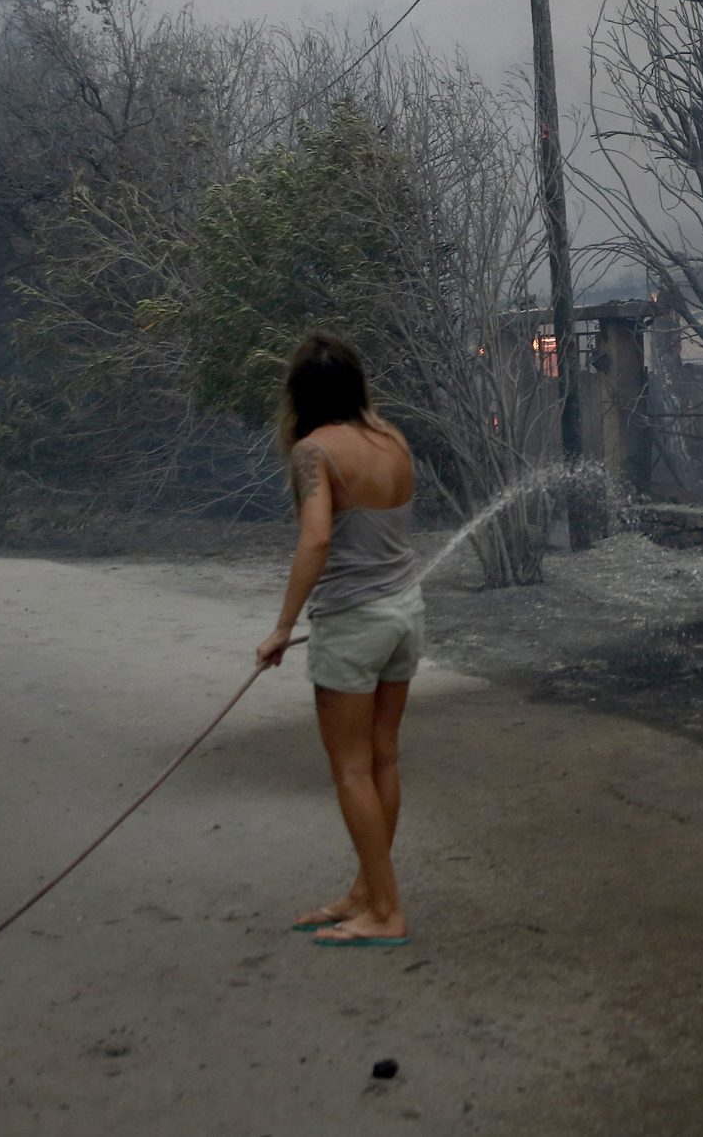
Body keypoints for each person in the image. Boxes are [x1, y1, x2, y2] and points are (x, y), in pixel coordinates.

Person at [254, 333, 423, 946]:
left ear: (300, 394)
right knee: (383, 757)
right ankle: (367, 892)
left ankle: (386, 910)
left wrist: (281, 629)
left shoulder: (314, 452)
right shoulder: (393, 439)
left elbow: (318, 540)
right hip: (405, 615)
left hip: (352, 625)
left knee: (351, 769)